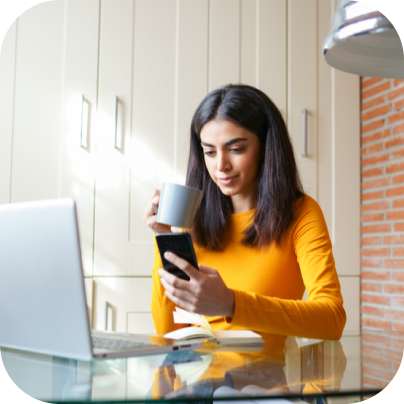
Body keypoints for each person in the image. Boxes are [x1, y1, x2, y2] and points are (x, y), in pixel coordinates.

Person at [143, 84, 346, 341]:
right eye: (210, 152)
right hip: (196, 375)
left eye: (236, 149)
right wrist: (163, 239)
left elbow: (332, 320)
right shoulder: (192, 218)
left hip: (266, 377)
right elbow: (167, 331)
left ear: (266, 146)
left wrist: (231, 304)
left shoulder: (301, 213)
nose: (221, 166)